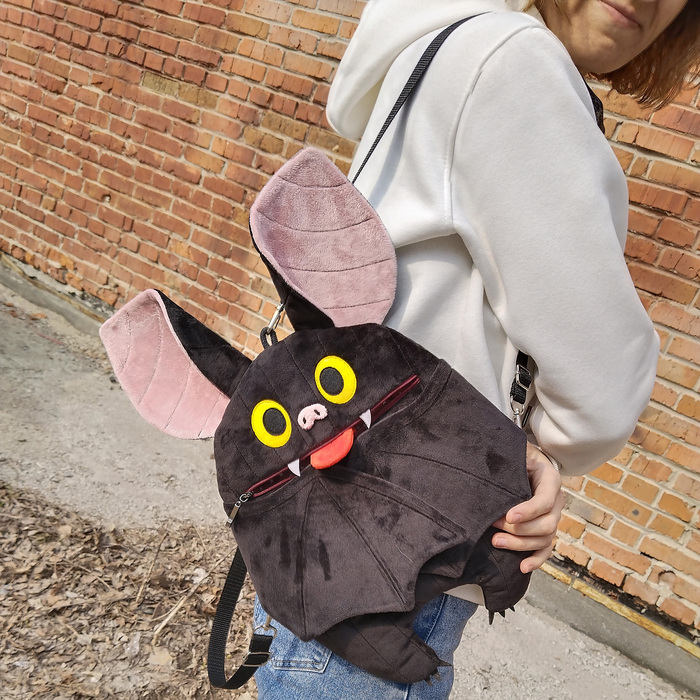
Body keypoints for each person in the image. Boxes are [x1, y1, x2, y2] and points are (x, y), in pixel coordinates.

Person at [253, 1, 700, 697]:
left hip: (333, 530)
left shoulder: (441, 38)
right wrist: (540, 448)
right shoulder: (514, 62)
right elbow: (603, 380)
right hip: (400, 565)